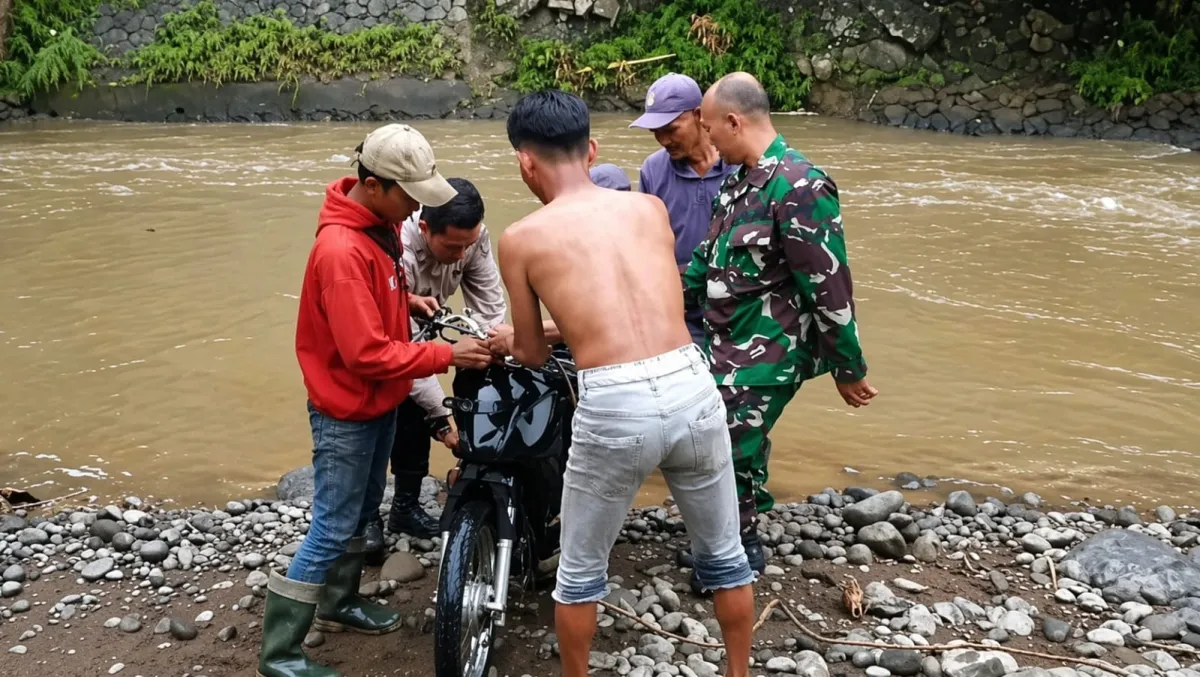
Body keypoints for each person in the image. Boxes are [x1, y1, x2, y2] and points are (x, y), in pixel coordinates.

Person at [490, 89, 756, 677]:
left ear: (524, 162)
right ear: (592, 150)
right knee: (727, 558)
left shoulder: (521, 239)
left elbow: (533, 353)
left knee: (580, 573)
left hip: (614, 402)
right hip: (692, 383)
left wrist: (511, 339)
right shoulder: (649, 210)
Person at [259, 124, 493, 677]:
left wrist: (406, 301)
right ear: (375, 184)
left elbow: (373, 309)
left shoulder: (378, 229)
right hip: (347, 409)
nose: (417, 207)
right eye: (411, 195)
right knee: (333, 526)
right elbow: (364, 354)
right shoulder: (343, 249)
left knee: (363, 512)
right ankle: (280, 652)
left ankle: (339, 604)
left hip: (378, 404)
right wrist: (446, 356)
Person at [684, 73, 878, 587]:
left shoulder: (799, 185)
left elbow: (829, 287)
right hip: (726, 342)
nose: (706, 140)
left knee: (731, 441)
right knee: (723, 440)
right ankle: (731, 538)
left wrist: (848, 368)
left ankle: (739, 553)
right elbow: (706, 262)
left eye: (709, 129)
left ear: (734, 121)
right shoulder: (738, 181)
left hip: (771, 348)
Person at [361, 177, 506, 560]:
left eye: (468, 245)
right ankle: (366, 518)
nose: (462, 254)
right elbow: (404, 354)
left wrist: (496, 351)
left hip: (420, 330)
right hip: (383, 343)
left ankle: (405, 508)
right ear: (425, 229)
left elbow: (491, 312)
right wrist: (443, 421)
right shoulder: (398, 246)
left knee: (476, 364)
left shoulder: (472, 239)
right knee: (397, 407)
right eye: (453, 246)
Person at [631, 72, 738, 347]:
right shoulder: (653, 170)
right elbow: (645, 246)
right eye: (656, 132)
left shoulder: (738, 163)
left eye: (671, 129)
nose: (664, 140)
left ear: (699, 115)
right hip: (679, 313)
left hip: (738, 312)